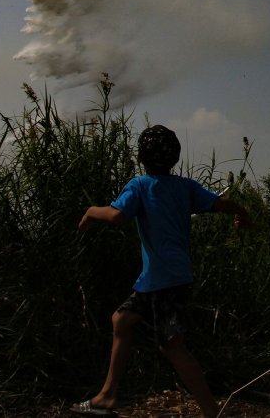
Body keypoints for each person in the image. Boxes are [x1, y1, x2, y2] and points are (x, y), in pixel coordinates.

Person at [71, 125, 252, 418]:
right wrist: (242, 214)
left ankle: (212, 412)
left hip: (163, 280)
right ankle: (107, 396)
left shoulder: (140, 185)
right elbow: (222, 204)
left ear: (140, 156)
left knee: (173, 347)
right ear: (174, 158)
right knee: (122, 320)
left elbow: (117, 216)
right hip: (161, 278)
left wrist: (91, 211)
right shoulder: (185, 187)